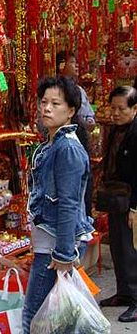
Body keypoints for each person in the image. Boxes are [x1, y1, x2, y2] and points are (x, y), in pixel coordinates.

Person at [22, 76, 94, 334]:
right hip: (50, 241)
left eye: (55, 103)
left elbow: (68, 204)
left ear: (71, 110)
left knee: (35, 315)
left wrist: (64, 254)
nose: (47, 109)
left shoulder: (67, 149)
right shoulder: (53, 144)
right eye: (43, 102)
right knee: (51, 316)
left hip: (56, 246)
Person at [99, 85, 137, 323]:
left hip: (131, 202)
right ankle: (124, 293)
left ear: (135, 109)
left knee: (132, 251)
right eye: (112, 108)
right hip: (117, 200)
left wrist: (135, 207)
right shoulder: (116, 131)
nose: (115, 113)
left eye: (121, 109)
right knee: (118, 249)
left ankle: (135, 298)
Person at [56, 50, 95, 128]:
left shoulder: (80, 90)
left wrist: (90, 121)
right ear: (61, 66)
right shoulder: (55, 89)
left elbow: (89, 113)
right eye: (72, 62)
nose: (76, 65)